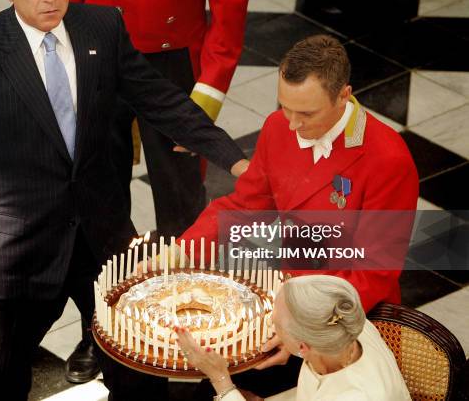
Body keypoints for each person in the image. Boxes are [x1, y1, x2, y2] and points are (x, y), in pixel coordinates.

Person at [0, 0, 249, 400]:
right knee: (3, 378)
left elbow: (161, 102)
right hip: (17, 253)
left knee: (138, 372)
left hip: (101, 240)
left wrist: (235, 159)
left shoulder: (102, 28)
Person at [56, 0, 250, 379]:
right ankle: (101, 323)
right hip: (101, 52)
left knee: (182, 202)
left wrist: (210, 87)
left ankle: (183, 324)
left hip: (175, 60)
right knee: (99, 199)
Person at [179, 34, 419, 398]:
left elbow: (372, 274)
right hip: (287, 303)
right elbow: (245, 206)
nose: (291, 124)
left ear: (344, 95)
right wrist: (183, 251)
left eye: (306, 113)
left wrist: (299, 334)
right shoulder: (279, 126)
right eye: (285, 107)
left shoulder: (388, 159)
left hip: (343, 324)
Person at [176, 275, 411, 400]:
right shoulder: (343, 322)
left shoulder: (354, 397)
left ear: (302, 346)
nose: (270, 325)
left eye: (275, 324)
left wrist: (221, 379)